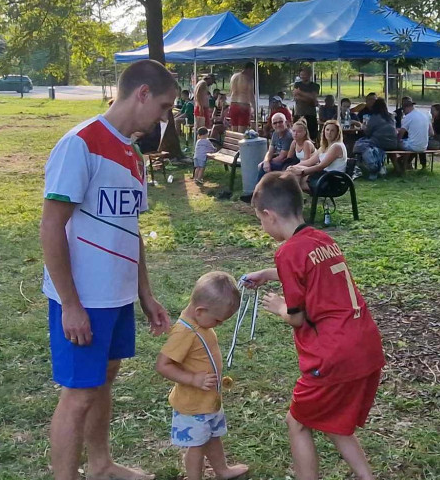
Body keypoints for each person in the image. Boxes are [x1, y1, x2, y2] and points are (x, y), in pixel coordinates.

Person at [41, 58, 174, 480]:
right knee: (78, 395)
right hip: (85, 299)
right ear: (142, 94)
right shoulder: (80, 143)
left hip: (117, 297)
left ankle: (100, 465)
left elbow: (129, 229)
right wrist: (70, 304)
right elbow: (50, 226)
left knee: (103, 381)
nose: (164, 117)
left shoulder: (132, 153)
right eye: (165, 106)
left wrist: (145, 293)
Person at [243, 172, 384, 480]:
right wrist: (268, 273)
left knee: (298, 422)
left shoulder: (287, 251)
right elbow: (309, 273)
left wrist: (279, 306)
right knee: (331, 418)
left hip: (333, 353)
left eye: (259, 220)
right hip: (365, 344)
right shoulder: (321, 239)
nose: (262, 226)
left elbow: (296, 317)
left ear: (268, 215)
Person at [155, 271, 249, 480]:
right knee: (196, 446)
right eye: (217, 320)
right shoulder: (184, 332)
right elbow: (163, 365)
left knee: (213, 438)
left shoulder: (200, 322)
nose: (219, 324)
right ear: (200, 311)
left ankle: (222, 470)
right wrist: (192, 379)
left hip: (208, 400)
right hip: (193, 405)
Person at [288, 120, 348, 193]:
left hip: (332, 180)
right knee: (293, 172)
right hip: (324, 176)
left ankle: (292, 199)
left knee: (294, 179)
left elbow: (320, 166)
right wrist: (293, 167)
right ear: (324, 131)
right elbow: (310, 162)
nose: (329, 133)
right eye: (327, 130)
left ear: (337, 133)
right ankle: (293, 198)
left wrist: (301, 172)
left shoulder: (337, 146)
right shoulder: (324, 147)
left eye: (332, 131)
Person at [352, 98, 398, 179]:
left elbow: (367, 132)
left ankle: (363, 166)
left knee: (359, 144)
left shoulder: (375, 117)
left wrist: (361, 126)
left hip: (380, 142)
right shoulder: (390, 116)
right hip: (393, 143)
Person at [257, 112, 296, 178]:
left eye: (280, 122)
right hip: (279, 160)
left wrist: (267, 163)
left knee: (263, 168)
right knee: (263, 166)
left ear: (286, 122)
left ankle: (259, 187)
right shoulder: (275, 134)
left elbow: (282, 157)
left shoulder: (288, 135)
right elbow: (270, 151)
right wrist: (266, 161)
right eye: (275, 123)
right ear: (272, 125)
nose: (278, 125)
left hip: (287, 163)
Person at [292, 67, 320, 140]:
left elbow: (313, 97)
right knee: (297, 135)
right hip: (299, 113)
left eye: (305, 74)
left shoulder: (315, 86)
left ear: (310, 75)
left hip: (311, 114)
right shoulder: (297, 84)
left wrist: (300, 93)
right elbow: (296, 97)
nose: (303, 76)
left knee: (312, 136)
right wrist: (310, 99)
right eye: (301, 74)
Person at [229, 63, 255, 133]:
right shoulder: (249, 79)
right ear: (249, 69)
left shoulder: (234, 77)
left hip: (233, 103)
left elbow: (231, 90)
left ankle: (234, 143)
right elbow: (251, 94)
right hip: (243, 104)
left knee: (234, 130)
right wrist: (254, 108)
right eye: (252, 70)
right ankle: (240, 144)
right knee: (241, 132)